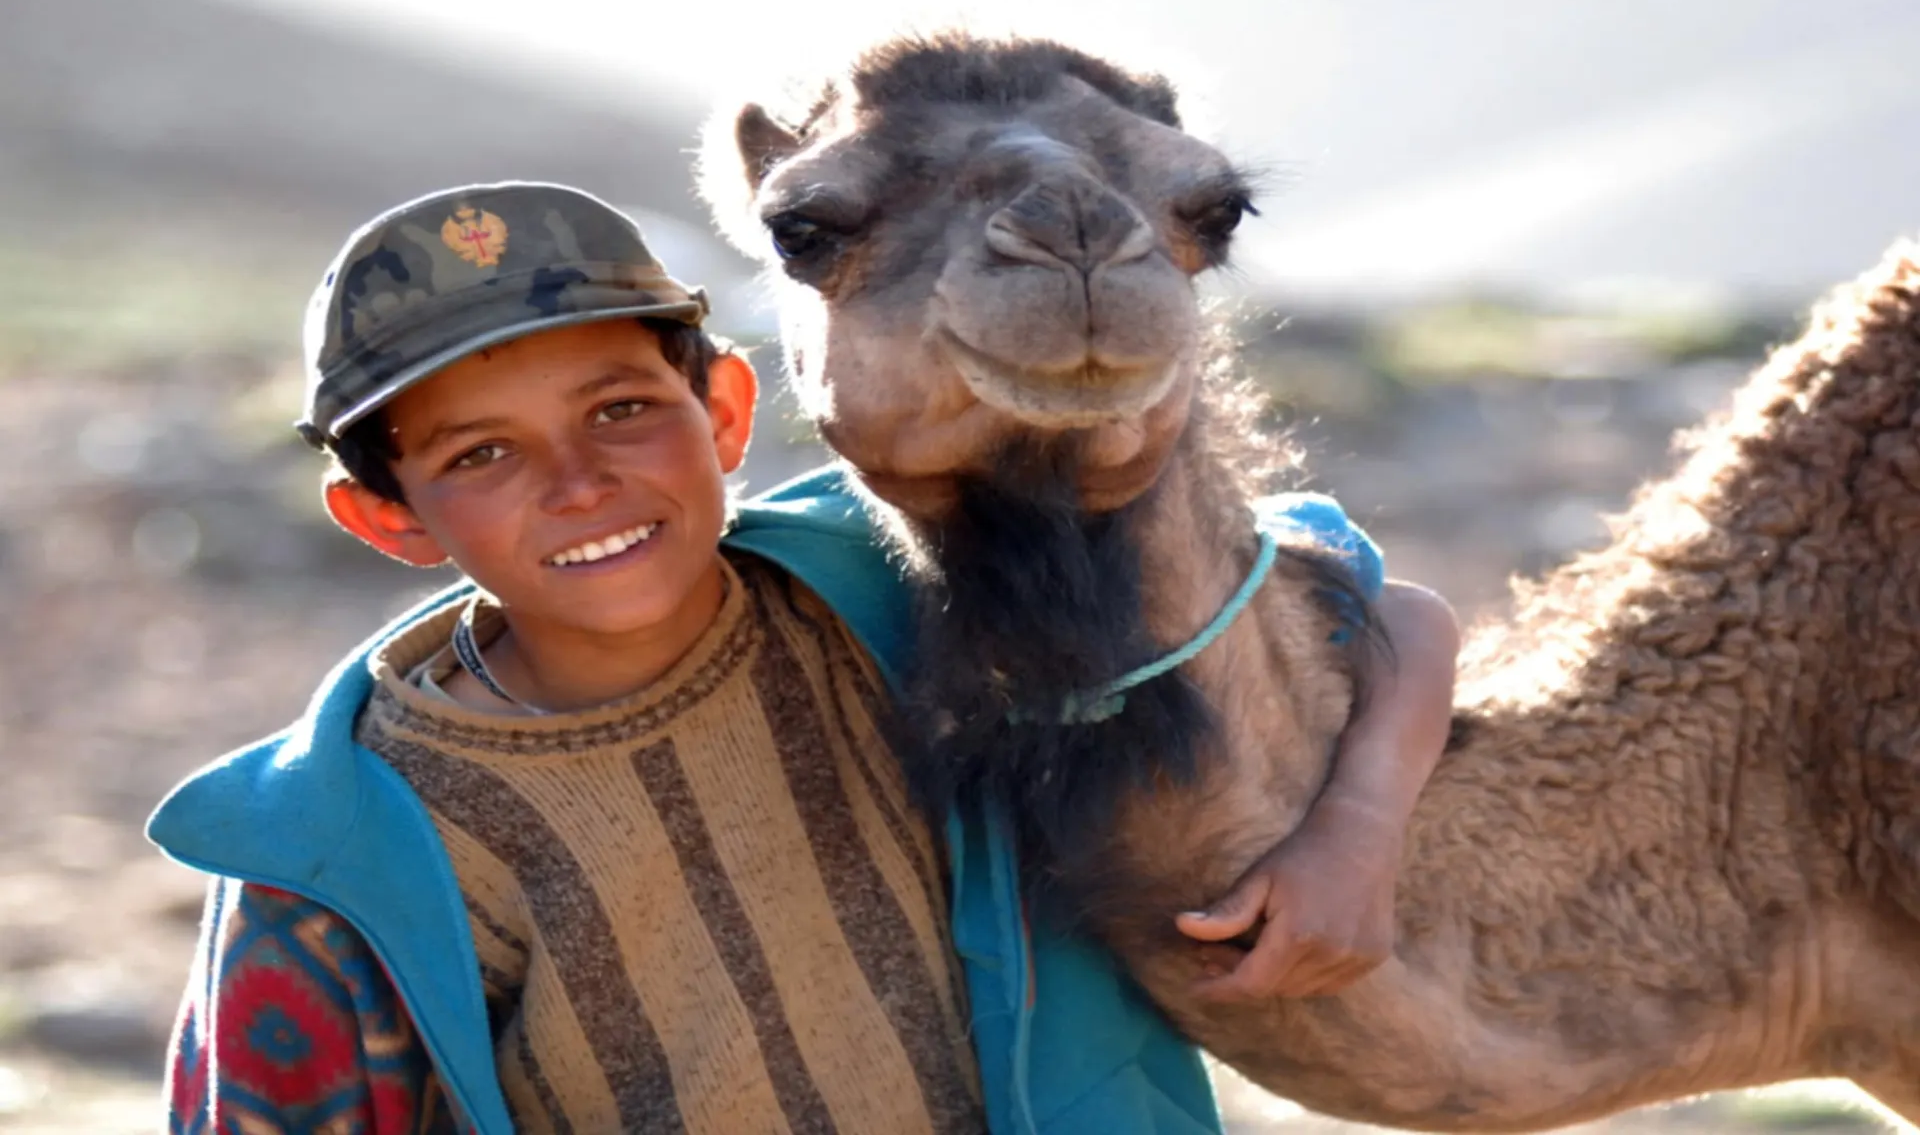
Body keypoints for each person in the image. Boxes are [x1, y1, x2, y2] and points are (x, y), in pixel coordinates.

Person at [150, 181, 1458, 1135]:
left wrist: (1357, 830)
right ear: (388, 515)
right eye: (479, 454)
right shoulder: (339, 847)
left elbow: (1371, 604)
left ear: (721, 411)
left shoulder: (914, 594)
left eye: (621, 412)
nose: (579, 484)